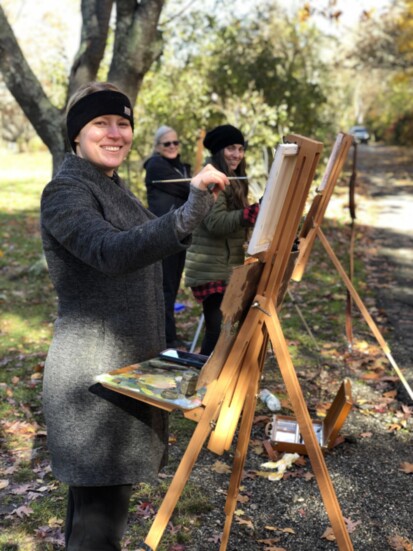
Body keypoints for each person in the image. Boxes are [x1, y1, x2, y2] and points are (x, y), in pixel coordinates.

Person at [40, 81, 229, 551]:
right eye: (100, 123)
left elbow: (145, 245)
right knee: (97, 526)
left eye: (122, 123)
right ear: (77, 135)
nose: (115, 133)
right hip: (93, 386)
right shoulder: (65, 192)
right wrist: (189, 212)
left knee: (95, 520)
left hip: (126, 376)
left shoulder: (112, 187)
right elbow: (110, 251)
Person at [184, 124, 260, 356]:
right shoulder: (212, 178)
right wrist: (251, 214)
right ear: (219, 150)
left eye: (240, 148)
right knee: (217, 331)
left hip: (224, 264)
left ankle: (213, 380)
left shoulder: (234, 177)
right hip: (210, 267)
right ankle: (202, 382)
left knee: (223, 329)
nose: (237, 154)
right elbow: (216, 224)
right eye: (230, 148)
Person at [144, 126, 191, 349]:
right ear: (157, 147)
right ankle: (165, 339)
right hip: (165, 234)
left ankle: (169, 335)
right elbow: (187, 189)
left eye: (175, 143)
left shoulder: (179, 166)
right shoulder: (156, 165)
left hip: (179, 234)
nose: (172, 147)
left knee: (171, 287)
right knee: (166, 287)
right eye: (167, 144)